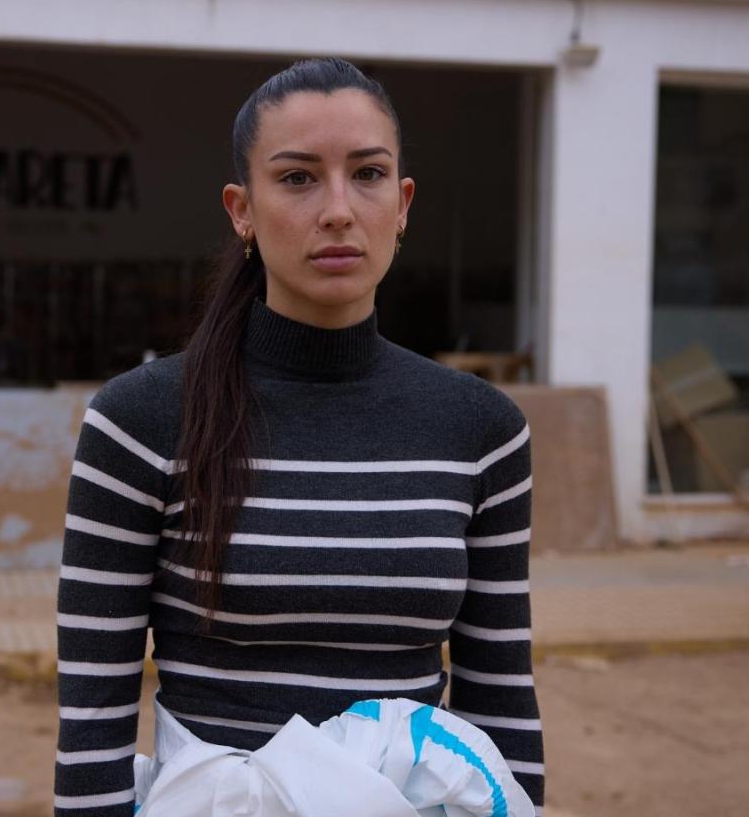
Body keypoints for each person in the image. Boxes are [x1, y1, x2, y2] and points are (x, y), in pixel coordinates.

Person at [52, 58, 544, 815]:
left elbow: (502, 695)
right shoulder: (141, 421)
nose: (338, 209)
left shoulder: (482, 430)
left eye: (369, 174)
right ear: (241, 210)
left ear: (403, 203)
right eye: (297, 178)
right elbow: (93, 714)